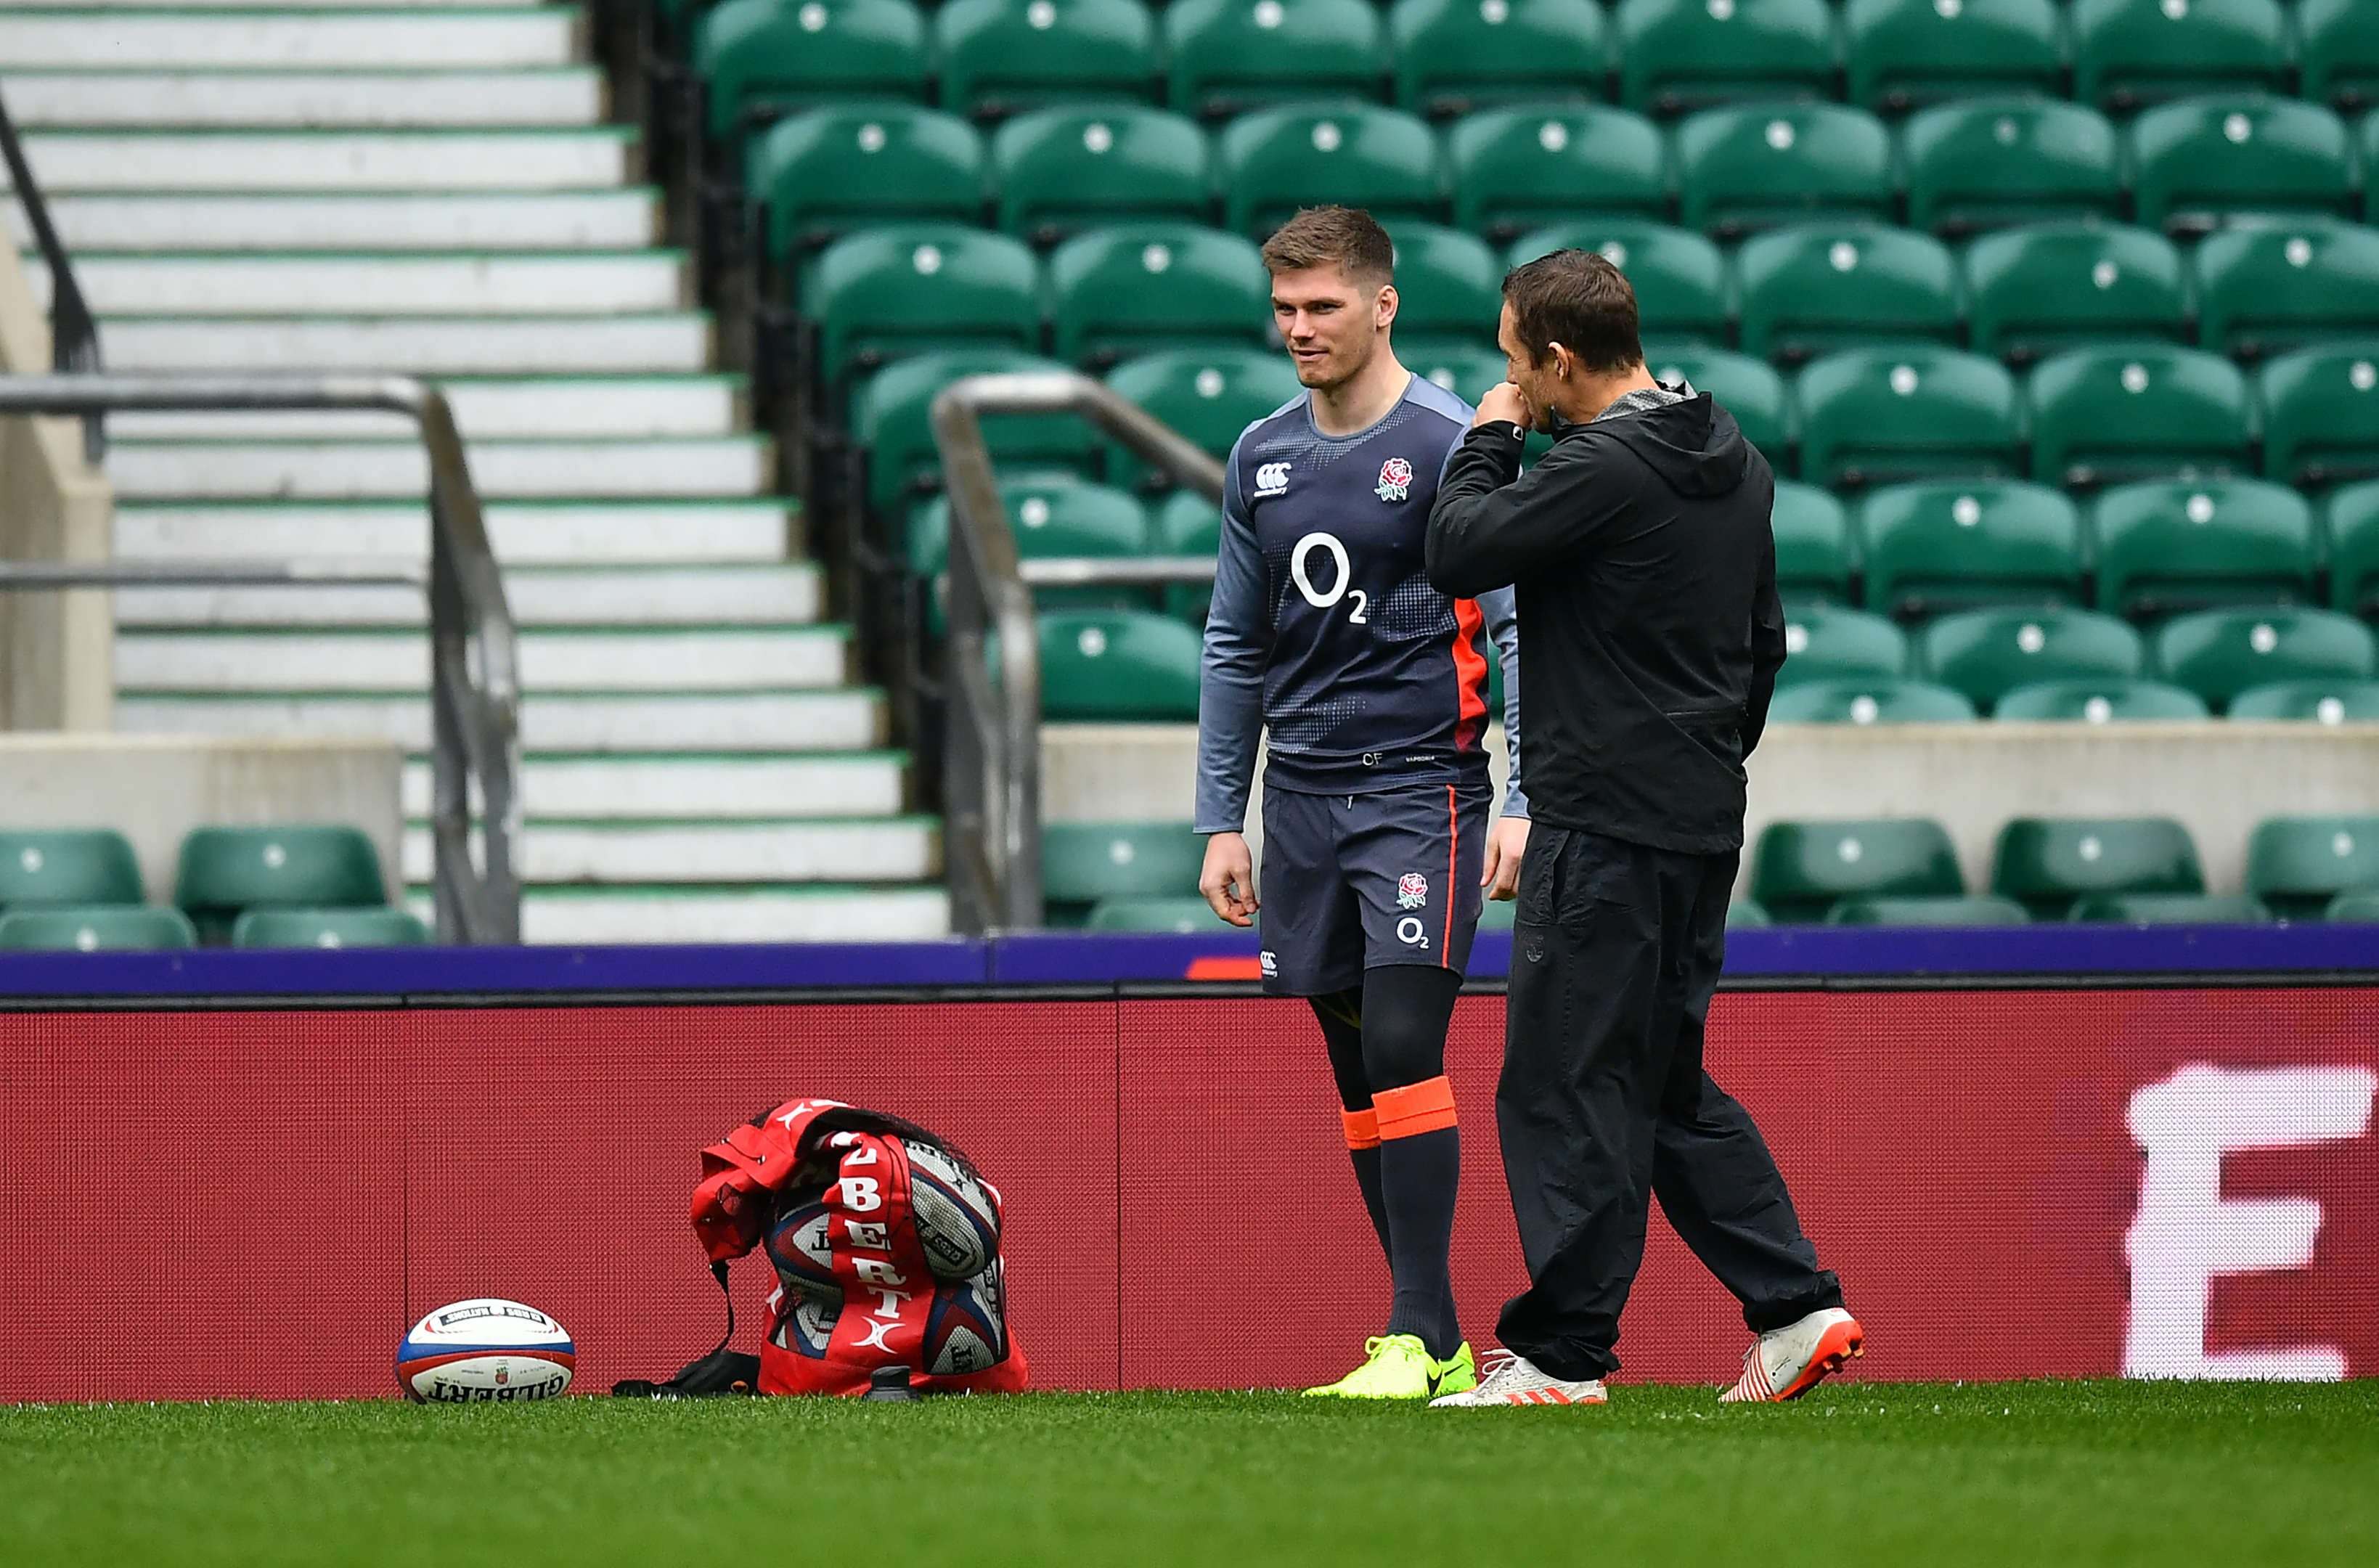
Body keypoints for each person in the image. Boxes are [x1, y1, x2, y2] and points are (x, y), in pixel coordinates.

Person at [1421, 248, 1861, 1408]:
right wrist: (1704, 759)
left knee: (1564, 1081)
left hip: (1603, 821)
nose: (1511, 381)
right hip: (1697, 815)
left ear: (1559, 360)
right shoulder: (1737, 457)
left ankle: (1561, 1356)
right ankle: (1793, 1307)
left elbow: (1457, 548)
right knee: (1661, 1078)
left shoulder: (1602, 466)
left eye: (1518, 365)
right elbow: (1762, 646)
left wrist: (1487, 434)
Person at [1195, 206, 1530, 1401]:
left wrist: (1522, 792)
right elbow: (1236, 644)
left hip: (1421, 788)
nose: (1299, 329)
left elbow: (1511, 624)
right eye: (1283, 309)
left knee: (1400, 1039)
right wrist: (1220, 816)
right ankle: (1426, 1342)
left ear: (1382, 305)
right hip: (1300, 800)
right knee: (1352, 1064)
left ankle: (1418, 1327)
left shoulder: (1447, 443)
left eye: (1322, 306)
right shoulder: (1259, 454)